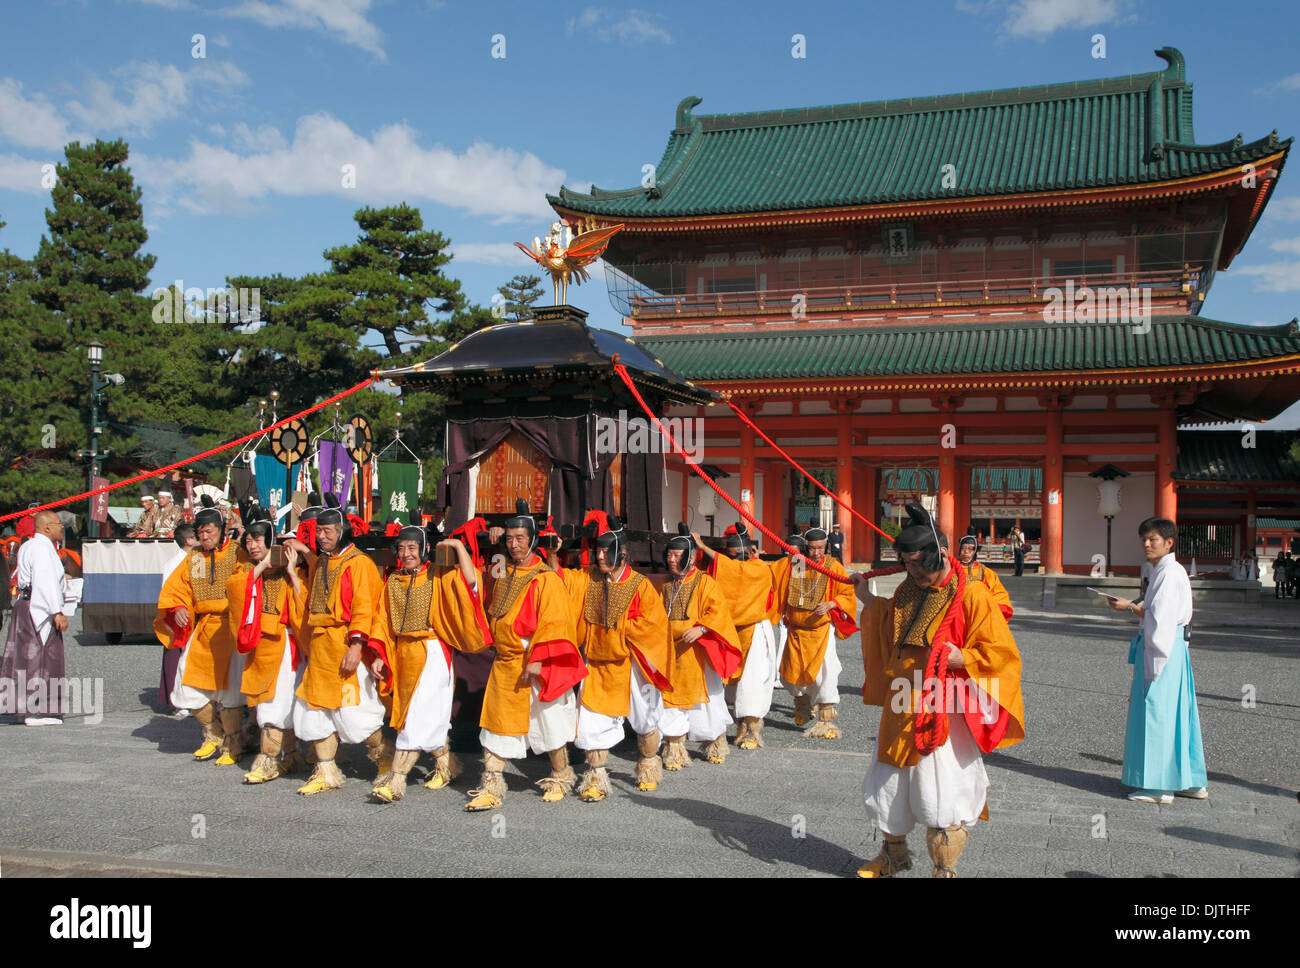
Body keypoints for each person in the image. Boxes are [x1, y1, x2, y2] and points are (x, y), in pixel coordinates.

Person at [854, 504, 1025, 877]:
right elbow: (891, 628)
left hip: (940, 706)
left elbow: (1003, 654)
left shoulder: (973, 595)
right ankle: (893, 854)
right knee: (888, 785)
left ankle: (944, 869)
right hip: (901, 701)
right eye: (907, 564)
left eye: (919, 564)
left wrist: (964, 659)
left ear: (941, 555)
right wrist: (869, 601)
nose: (912, 572)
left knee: (940, 794)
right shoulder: (908, 588)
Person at [468, 501, 585, 810]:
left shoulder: (546, 578)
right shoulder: (502, 568)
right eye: (509, 538)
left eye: (520, 538)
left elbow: (556, 621)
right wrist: (493, 543)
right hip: (506, 663)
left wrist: (538, 659)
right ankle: (491, 786)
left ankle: (561, 775)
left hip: (537, 660)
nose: (514, 544)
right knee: (496, 725)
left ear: (532, 539)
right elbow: (485, 583)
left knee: (550, 724)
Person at [367, 528, 490, 803]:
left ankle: (396, 780)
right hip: (403, 654)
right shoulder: (393, 581)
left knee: (415, 718)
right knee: (420, 715)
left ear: (423, 549)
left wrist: (459, 548)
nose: (406, 554)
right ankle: (448, 766)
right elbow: (382, 620)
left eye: (412, 548)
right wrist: (378, 654)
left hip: (433, 652)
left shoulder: (438, 575)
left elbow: (472, 583)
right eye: (402, 548)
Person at [566, 514, 672, 800]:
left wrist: (621, 631)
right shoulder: (588, 579)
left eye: (605, 551)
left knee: (645, 720)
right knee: (591, 723)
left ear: (622, 554)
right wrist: (551, 558)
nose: (599, 556)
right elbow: (563, 584)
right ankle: (596, 779)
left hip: (631, 663)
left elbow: (654, 625)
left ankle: (649, 765)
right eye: (597, 551)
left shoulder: (640, 585)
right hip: (597, 664)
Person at [292, 499, 391, 795]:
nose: (321, 536)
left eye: (327, 531)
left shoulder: (359, 563)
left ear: (341, 531)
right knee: (315, 711)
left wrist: (357, 645)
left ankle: (385, 762)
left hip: (346, 645)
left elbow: (364, 606)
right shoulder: (322, 561)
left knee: (355, 715)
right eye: (318, 531)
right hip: (321, 649)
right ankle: (326, 770)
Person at [1107, 518, 1207, 804]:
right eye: (1144, 540)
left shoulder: (1168, 573)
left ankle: (1158, 786)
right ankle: (1190, 781)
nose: (1147, 544)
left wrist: (1129, 607)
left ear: (1169, 542)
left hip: (1162, 648)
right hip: (1174, 647)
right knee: (1180, 714)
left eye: (1153, 539)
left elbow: (1160, 621)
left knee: (1157, 713)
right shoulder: (1169, 570)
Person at [154, 499, 247, 762]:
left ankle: (233, 742)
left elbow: (248, 582)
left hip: (231, 628)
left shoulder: (239, 552)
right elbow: (177, 589)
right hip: (205, 627)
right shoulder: (194, 558)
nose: (205, 536)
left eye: (210, 531)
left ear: (222, 529)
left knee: (231, 691)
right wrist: (178, 607)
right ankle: (212, 733)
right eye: (201, 532)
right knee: (187, 685)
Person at [226, 516, 310, 785]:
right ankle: (290, 755)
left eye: (258, 540)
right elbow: (236, 588)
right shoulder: (247, 570)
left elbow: (304, 602)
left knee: (275, 703)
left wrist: (293, 570)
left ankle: (270, 758)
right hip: (260, 645)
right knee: (270, 701)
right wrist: (263, 564)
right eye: (248, 541)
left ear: (271, 540)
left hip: (284, 644)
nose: (252, 546)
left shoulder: (288, 571)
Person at [657, 524, 742, 769]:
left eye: (677, 555)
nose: (671, 560)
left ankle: (715, 743)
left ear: (691, 558)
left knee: (707, 702)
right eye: (669, 555)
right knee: (671, 701)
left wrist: (702, 628)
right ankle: (674, 749)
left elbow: (719, 612)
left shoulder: (706, 582)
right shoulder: (665, 584)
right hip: (672, 652)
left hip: (698, 654)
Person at [694, 524, 778, 749]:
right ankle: (731, 726)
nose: (735, 561)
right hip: (729, 629)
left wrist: (701, 545)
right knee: (728, 681)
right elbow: (731, 569)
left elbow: (732, 570)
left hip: (754, 630)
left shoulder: (756, 569)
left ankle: (752, 730)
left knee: (752, 682)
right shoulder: (759, 566)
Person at [770, 526, 858, 738]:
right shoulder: (796, 564)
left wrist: (832, 603)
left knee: (825, 676)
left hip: (821, 632)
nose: (816, 553)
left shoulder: (833, 566)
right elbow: (772, 577)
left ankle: (825, 721)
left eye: (819, 548)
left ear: (826, 547)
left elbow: (847, 592)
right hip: (797, 631)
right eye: (811, 548)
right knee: (792, 675)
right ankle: (802, 705)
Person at [1, 511, 69, 725]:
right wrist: (57, 610)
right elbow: (44, 582)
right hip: (38, 605)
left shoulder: (30, 545)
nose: (62, 527)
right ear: (46, 527)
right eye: (59, 524)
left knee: (23, 657)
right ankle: (36, 711)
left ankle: (23, 709)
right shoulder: (41, 549)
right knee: (40, 656)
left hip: (26, 603)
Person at [158, 524, 197, 714]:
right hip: (179, 616)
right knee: (178, 658)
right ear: (189, 541)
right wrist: (177, 609)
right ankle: (179, 702)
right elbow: (168, 592)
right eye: (198, 536)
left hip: (193, 614)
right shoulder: (174, 563)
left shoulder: (195, 560)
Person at [956, 536, 1012, 621]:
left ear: (976, 552)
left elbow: (999, 594)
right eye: (963, 548)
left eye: (970, 549)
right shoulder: (951, 568)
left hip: (978, 613)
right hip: (956, 613)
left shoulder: (986, 572)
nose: (966, 552)